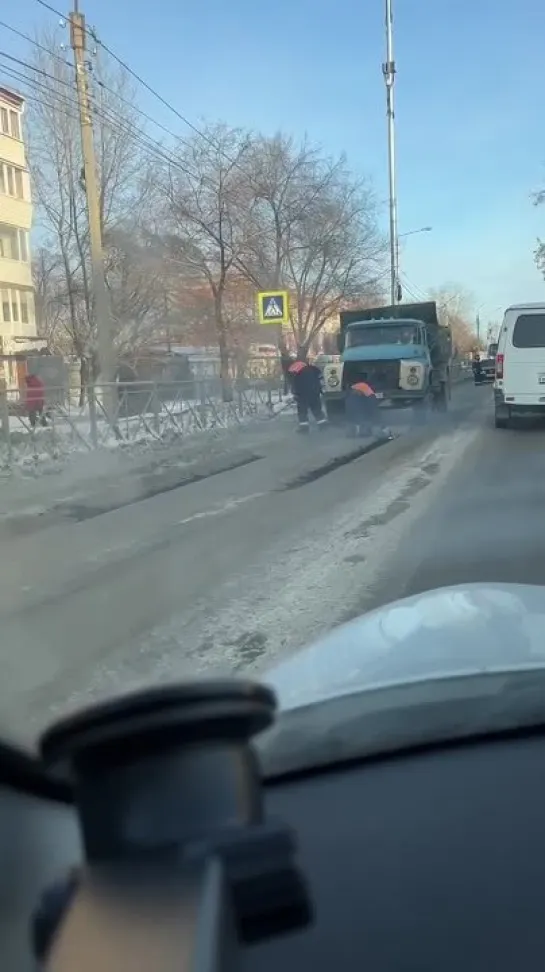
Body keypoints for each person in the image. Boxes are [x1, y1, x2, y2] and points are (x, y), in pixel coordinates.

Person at [288, 352, 327, 433]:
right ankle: (323, 425)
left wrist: (296, 394)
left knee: (302, 411)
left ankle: (304, 428)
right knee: (317, 409)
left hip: (303, 396)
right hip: (315, 393)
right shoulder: (313, 369)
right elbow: (320, 380)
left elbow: (297, 386)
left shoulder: (298, 374)